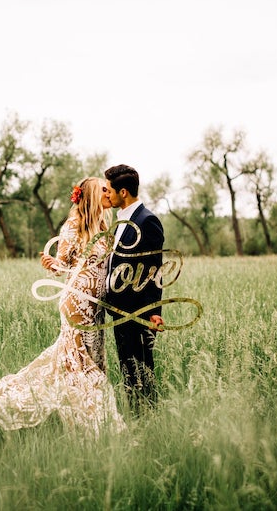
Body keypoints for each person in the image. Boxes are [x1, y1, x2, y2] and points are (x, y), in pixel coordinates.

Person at [0, 177, 125, 437]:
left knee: (91, 363)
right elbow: (63, 266)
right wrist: (51, 264)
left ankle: (84, 421)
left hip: (95, 309)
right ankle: (97, 426)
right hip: (76, 305)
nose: (108, 193)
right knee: (83, 367)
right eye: (103, 190)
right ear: (89, 194)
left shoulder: (103, 225)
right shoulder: (73, 225)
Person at [103, 164, 165, 412]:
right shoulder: (121, 221)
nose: (107, 194)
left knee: (142, 371)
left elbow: (154, 269)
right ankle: (137, 418)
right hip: (119, 311)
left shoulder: (147, 220)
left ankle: (150, 419)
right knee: (128, 371)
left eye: (109, 190)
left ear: (124, 192)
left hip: (138, 312)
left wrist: (154, 311)